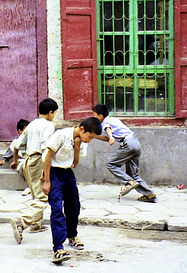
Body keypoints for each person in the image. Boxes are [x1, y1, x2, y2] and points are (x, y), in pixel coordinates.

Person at [41, 117, 102, 264]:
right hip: (53, 172)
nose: (90, 140)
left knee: (74, 206)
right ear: (82, 129)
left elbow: (75, 163)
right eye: (90, 136)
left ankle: (72, 235)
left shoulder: (82, 141)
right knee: (56, 208)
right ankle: (58, 248)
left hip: (67, 173)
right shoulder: (61, 135)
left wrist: (77, 147)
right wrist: (47, 181)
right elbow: (48, 157)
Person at [10, 98, 58, 243]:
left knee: (35, 193)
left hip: (29, 160)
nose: (54, 115)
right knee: (43, 196)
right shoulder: (48, 126)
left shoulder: (31, 125)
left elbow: (17, 145)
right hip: (39, 159)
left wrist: (16, 160)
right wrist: (45, 170)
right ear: (50, 113)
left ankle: (36, 224)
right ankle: (22, 222)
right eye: (55, 113)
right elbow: (45, 148)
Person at [92, 103, 157, 203]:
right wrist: (95, 136)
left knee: (111, 164)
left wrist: (112, 137)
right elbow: (107, 138)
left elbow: (107, 129)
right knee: (133, 174)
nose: (93, 117)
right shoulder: (114, 119)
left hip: (128, 144)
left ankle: (129, 182)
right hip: (135, 143)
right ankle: (149, 194)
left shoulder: (105, 122)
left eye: (94, 114)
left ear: (100, 116)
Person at [0, 119, 31, 196]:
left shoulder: (32, 140)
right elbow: (10, 152)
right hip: (22, 161)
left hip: (32, 159)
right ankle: (29, 187)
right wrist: (3, 161)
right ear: (20, 131)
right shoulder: (16, 142)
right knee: (25, 166)